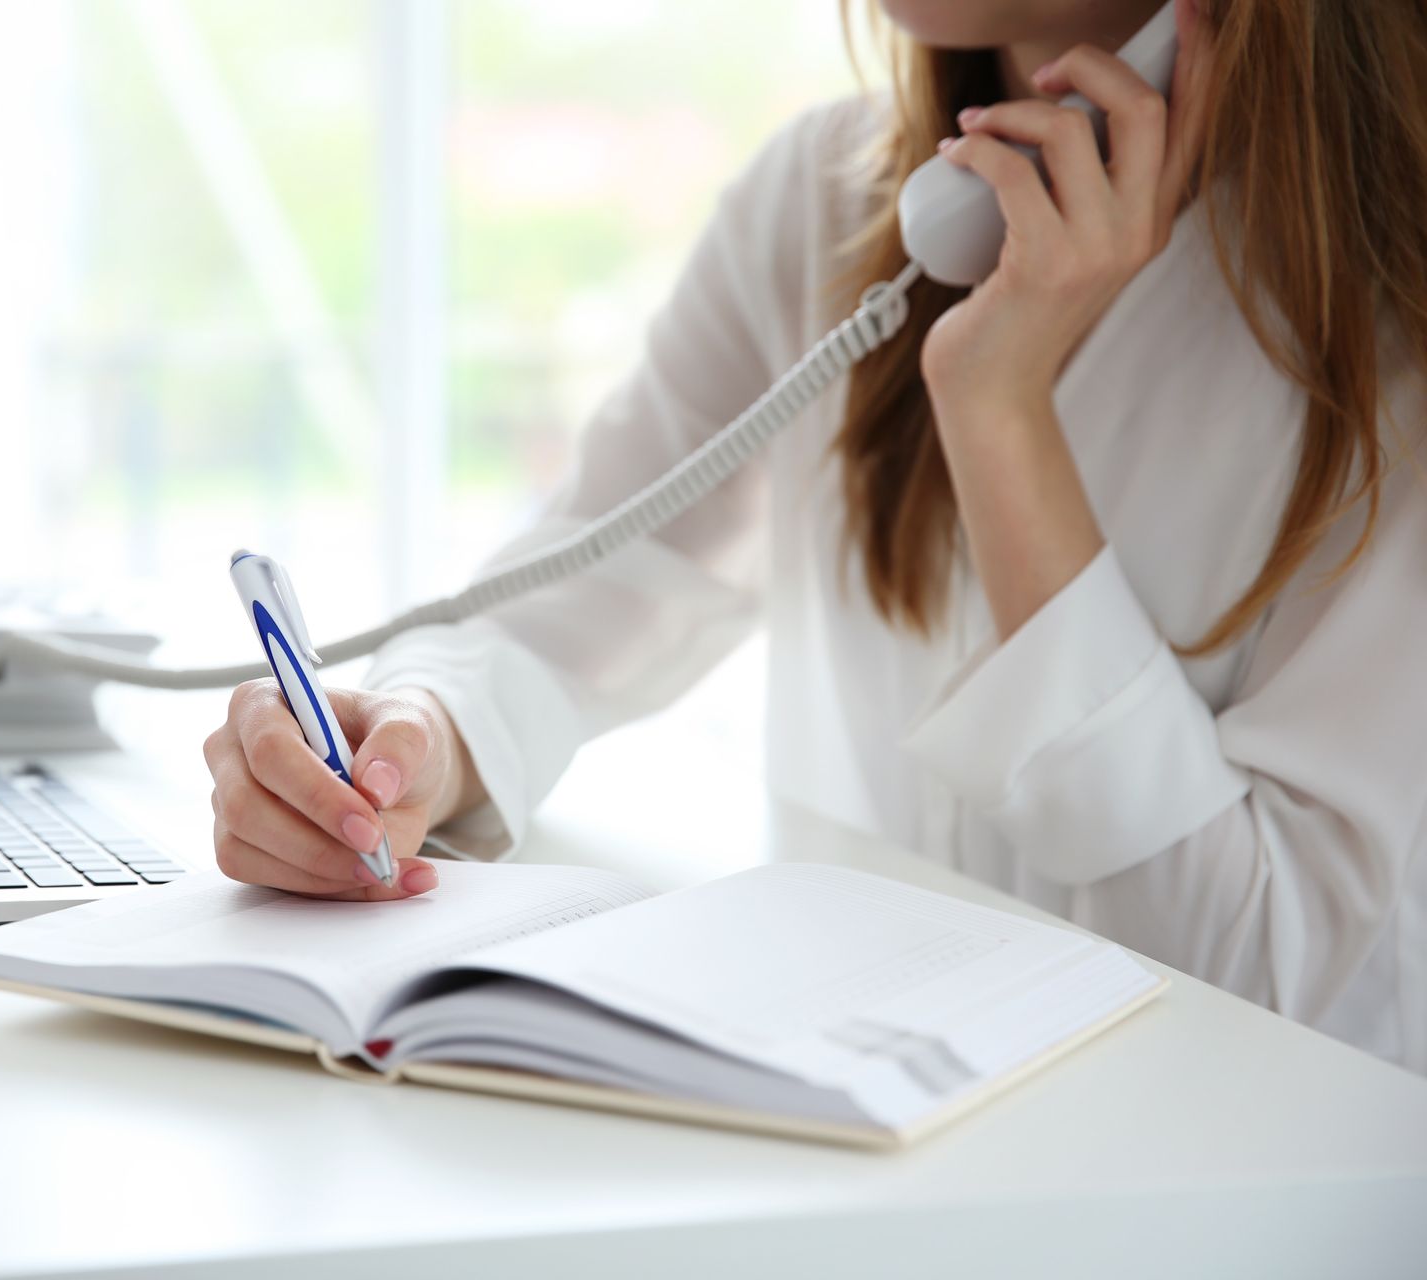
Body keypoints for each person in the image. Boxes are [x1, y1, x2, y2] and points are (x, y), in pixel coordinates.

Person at [201, 0, 1427, 1073]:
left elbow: (1273, 985)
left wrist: (999, 410)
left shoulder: (1389, 312)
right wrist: (411, 744)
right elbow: (586, 585)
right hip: (843, 1150)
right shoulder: (829, 198)